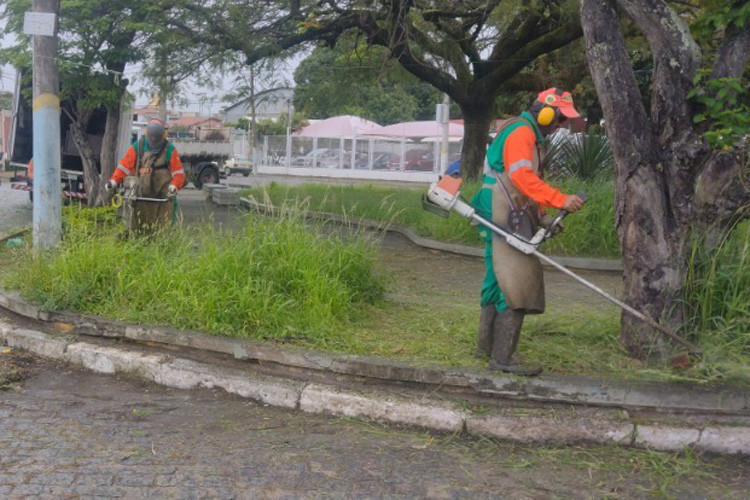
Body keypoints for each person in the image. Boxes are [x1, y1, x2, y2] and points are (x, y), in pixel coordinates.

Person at [470, 88, 586, 376]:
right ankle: (502, 359)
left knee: (496, 274)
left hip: (499, 203)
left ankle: (484, 347)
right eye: (560, 120)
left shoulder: (527, 133)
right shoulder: (522, 133)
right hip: (500, 206)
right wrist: (560, 200)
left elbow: (523, 183)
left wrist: (543, 216)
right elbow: (521, 177)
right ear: (546, 114)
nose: (560, 126)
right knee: (516, 275)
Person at [106, 118, 185, 232]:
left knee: (163, 228)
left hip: (163, 197)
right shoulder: (138, 146)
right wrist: (114, 180)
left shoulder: (170, 150)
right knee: (138, 226)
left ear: (163, 135)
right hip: (142, 194)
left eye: (156, 137)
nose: (153, 139)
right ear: (147, 133)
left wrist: (174, 186)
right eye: (151, 136)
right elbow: (124, 166)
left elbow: (179, 173)